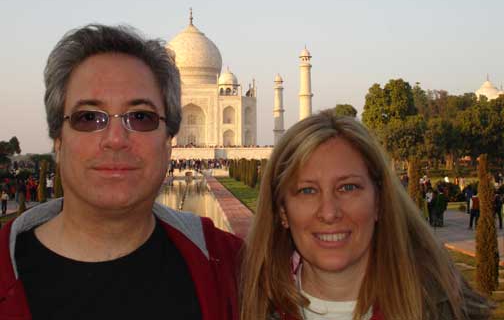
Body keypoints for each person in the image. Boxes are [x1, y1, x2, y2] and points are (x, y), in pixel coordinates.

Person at [0, 24, 241, 319]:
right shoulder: (4, 272)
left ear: (169, 141)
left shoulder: (233, 268)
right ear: (58, 141)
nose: (115, 139)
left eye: (141, 117)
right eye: (88, 117)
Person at [240, 111, 491, 320]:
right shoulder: (249, 306)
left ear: (380, 200)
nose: (329, 212)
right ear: (282, 210)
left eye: (348, 187)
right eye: (307, 190)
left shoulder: (446, 308)